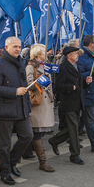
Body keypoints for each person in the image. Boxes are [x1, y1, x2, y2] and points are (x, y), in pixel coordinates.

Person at [0, 37, 33, 185]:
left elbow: (24, 86)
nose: (18, 49)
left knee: (27, 136)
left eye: (19, 46)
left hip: (21, 108)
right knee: (5, 144)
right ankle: (5, 172)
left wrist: (27, 106)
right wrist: (14, 91)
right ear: (6, 47)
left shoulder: (20, 62)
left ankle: (11, 162)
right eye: (15, 46)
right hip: (6, 110)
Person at [48, 46, 88, 165]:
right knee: (74, 129)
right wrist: (71, 87)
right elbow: (58, 86)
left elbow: (79, 84)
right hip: (69, 102)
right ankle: (75, 154)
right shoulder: (63, 67)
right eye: (75, 53)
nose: (77, 55)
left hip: (77, 101)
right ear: (69, 56)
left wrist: (86, 82)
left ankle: (54, 140)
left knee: (72, 128)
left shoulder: (76, 66)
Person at [24, 44, 55, 172]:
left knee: (35, 133)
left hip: (45, 102)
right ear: (37, 54)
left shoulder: (45, 65)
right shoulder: (30, 67)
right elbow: (28, 85)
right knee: (37, 133)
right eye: (44, 51)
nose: (46, 53)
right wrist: (39, 80)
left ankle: (25, 152)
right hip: (38, 103)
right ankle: (43, 161)